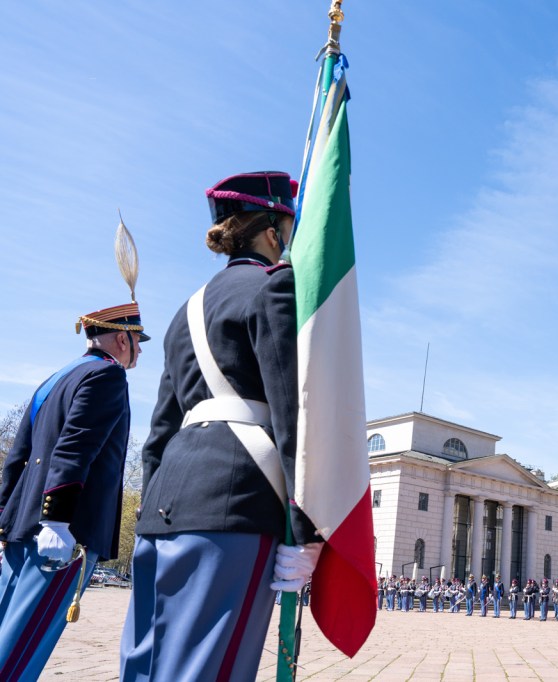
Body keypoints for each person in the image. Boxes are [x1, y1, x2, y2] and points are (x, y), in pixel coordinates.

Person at [121, 171, 323, 681]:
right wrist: (307, 529)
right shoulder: (275, 286)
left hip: (166, 505)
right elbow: (291, 411)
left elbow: (160, 430)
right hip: (237, 499)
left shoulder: (184, 311)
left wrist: (152, 502)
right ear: (274, 232)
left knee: (147, 668)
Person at [0, 291, 147, 680]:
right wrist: (58, 521)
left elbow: (18, 457)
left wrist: (3, 520)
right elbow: (75, 447)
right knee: (22, 646)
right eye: (138, 342)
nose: (140, 353)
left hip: (22, 527)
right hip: (63, 534)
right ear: (122, 339)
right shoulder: (107, 374)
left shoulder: (54, 379)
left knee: (5, 632)